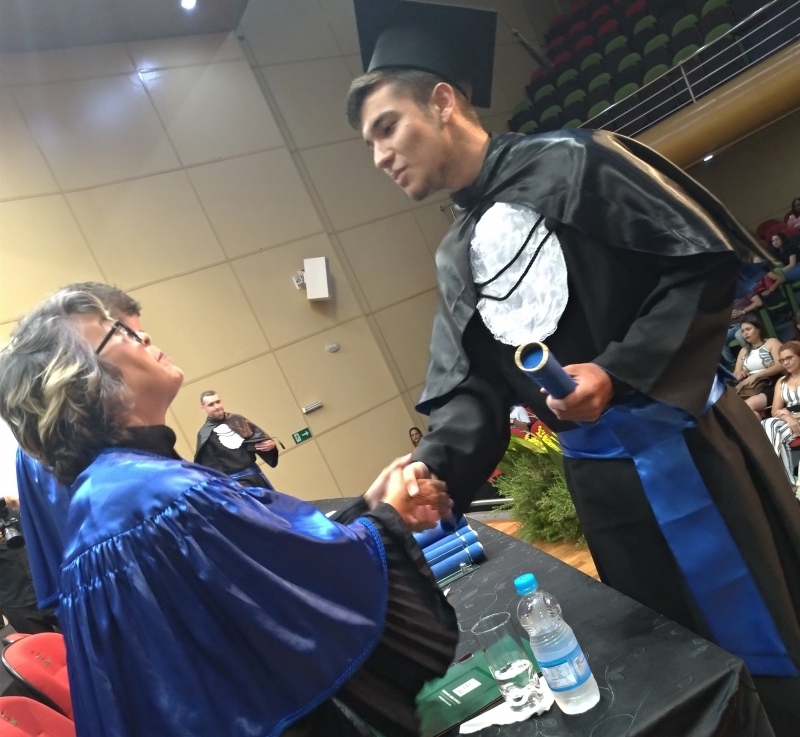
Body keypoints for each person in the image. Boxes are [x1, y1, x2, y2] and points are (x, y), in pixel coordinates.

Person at [345, 1, 800, 731]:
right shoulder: (455, 255)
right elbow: (471, 398)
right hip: (604, 488)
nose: (378, 157)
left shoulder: (577, 160)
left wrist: (616, 372)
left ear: (443, 101)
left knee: (771, 627)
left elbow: (700, 265)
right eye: (368, 143)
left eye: (387, 127)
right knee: (674, 659)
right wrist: (426, 471)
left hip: (693, 446)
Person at [0, 288, 457, 737]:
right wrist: (387, 520)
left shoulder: (114, 492)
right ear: (85, 384)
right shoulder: (151, 494)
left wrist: (369, 509)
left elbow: (254, 576)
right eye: (118, 331)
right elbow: (302, 603)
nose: (144, 337)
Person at [15, 282, 144, 613]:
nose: (145, 344)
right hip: (130, 593)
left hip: (96, 601)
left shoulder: (38, 441)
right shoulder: (83, 437)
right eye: (127, 335)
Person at [0, 497, 59, 635]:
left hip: (51, 589)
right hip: (17, 602)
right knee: (43, 647)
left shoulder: (9, 507)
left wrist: (22, 506)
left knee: (86, 639)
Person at [195, 391, 278, 488]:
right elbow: (208, 468)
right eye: (211, 404)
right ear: (203, 409)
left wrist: (270, 446)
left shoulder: (238, 420)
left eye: (218, 402)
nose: (216, 407)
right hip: (236, 485)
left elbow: (256, 442)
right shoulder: (205, 434)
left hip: (256, 476)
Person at [762, 341, 800, 493]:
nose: (785, 362)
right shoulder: (781, 381)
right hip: (788, 420)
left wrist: (793, 415)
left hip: (795, 417)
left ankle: (783, 480)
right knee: (768, 424)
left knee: (774, 431)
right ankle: (790, 482)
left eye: (789, 358)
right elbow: (775, 410)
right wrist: (788, 418)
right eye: (782, 360)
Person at [733, 314, 784, 413]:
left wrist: (756, 375)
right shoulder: (743, 351)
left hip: (771, 383)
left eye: (748, 329)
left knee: (746, 407)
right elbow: (736, 373)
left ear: (758, 329)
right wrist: (740, 374)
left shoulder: (771, 342)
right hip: (749, 388)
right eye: (743, 331)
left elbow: (781, 365)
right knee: (734, 409)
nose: (745, 333)